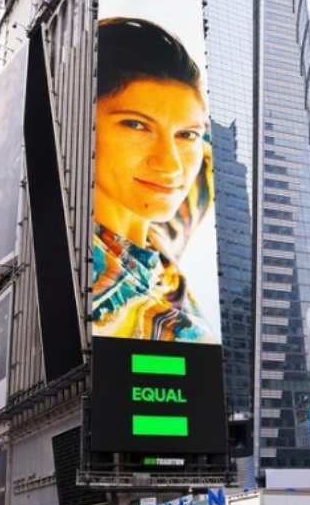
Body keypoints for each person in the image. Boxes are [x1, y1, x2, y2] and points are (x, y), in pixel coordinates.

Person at [92, 18, 217, 344]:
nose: (171, 164)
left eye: (185, 134)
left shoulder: (161, 235)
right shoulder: (107, 300)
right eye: (135, 125)